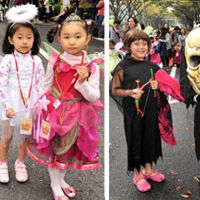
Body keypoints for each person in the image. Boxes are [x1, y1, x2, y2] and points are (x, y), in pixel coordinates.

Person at [27, 13, 103, 200]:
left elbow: (94, 96)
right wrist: (37, 108)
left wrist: (83, 82)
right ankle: (55, 183)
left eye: (78, 36)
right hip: (55, 112)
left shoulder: (92, 65)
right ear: (60, 39)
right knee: (55, 149)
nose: (72, 42)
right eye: (67, 37)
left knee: (68, 151)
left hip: (79, 115)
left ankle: (61, 180)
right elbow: (46, 85)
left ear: (88, 39)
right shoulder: (55, 60)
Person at [110, 29, 183, 192]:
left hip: (150, 111)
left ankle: (149, 169)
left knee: (151, 138)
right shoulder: (122, 67)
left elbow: (163, 88)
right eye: (137, 44)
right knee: (136, 140)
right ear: (129, 46)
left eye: (145, 44)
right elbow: (114, 90)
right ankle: (138, 174)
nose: (141, 47)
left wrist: (157, 88)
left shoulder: (152, 66)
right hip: (133, 113)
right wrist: (130, 92)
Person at [0, 4, 44, 183]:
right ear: (11, 40)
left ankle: (20, 162)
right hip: (10, 104)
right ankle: (2, 163)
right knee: (6, 136)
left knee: (24, 137)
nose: (25, 42)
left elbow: (40, 86)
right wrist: (7, 106)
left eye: (29, 37)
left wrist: (42, 106)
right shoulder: (8, 60)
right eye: (20, 37)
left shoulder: (37, 61)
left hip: (29, 106)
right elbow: (1, 84)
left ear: (34, 40)